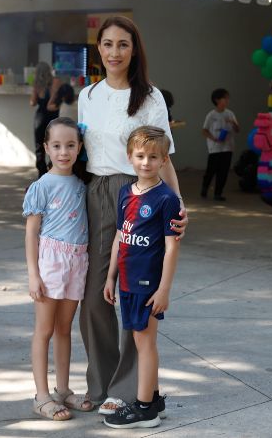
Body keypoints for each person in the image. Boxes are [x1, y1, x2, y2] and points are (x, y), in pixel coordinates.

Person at [77, 15, 188, 418]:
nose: (114, 52)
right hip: (97, 191)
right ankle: (101, 380)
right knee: (94, 297)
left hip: (140, 193)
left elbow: (164, 155)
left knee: (134, 294)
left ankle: (126, 389)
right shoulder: (87, 94)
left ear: (134, 49)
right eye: (107, 44)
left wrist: (177, 204)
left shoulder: (150, 97)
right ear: (99, 49)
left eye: (123, 44)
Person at [101, 126, 180, 429]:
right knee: (141, 341)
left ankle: (145, 408)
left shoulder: (166, 198)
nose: (146, 162)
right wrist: (110, 277)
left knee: (144, 344)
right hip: (126, 282)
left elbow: (172, 248)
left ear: (163, 161)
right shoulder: (125, 193)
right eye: (140, 156)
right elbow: (121, 236)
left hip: (148, 285)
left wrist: (164, 290)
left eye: (153, 157)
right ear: (130, 157)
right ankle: (155, 398)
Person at [23, 117, 95, 421]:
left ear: (79, 147)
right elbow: (31, 233)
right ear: (46, 148)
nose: (63, 152)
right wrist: (33, 274)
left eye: (70, 145)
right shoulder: (41, 186)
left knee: (65, 329)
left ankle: (63, 390)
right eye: (56, 146)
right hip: (51, 262)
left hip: (77, 262)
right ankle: (42, 397)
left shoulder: (82, 185)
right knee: (45, 330)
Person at [201, 88, 240, 201]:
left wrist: (233, 123)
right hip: (215, 148)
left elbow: (237, 129)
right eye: (225, 98)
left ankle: (218, 193)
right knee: (211, 170)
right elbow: (204, 130)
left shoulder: (230, 113)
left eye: (227, 98)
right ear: (217, 100)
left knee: (223, 171)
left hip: (228, 147)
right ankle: (205, 187)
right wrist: (214, 138)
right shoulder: (211, 115)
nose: (227, 100)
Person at [30, 62, 62, 178]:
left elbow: (33, 102)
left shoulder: (37, 85)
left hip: (40, 118)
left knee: (40, 147)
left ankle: (41, 174)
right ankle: (54, 172)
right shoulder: (56, 82)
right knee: (55, 145)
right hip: (53, 118)